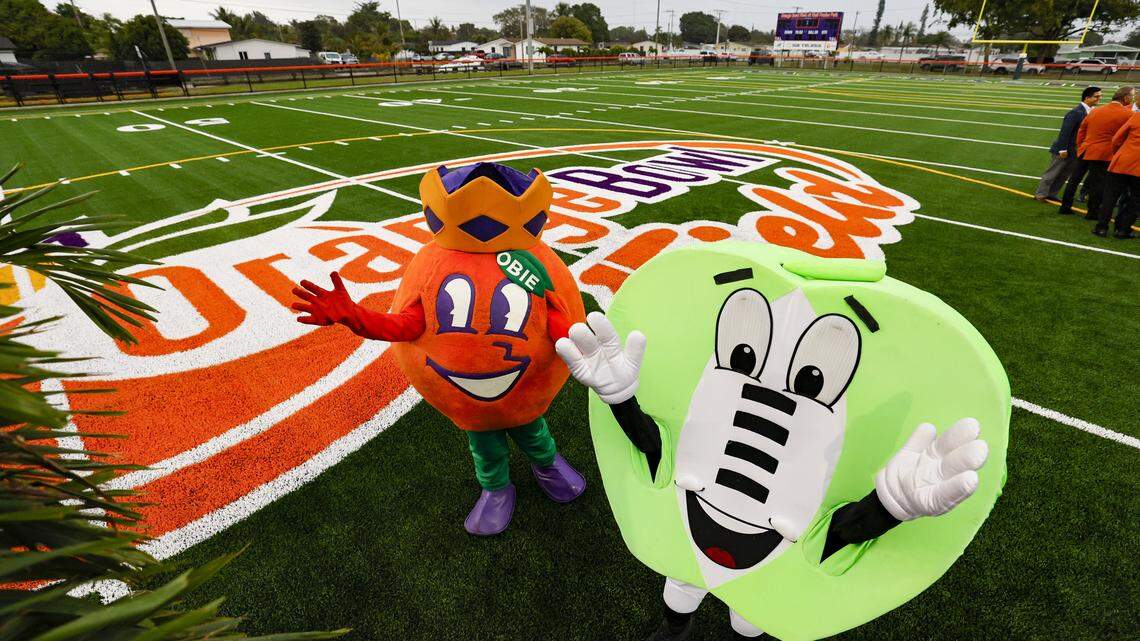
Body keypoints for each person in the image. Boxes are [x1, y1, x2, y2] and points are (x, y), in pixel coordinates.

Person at [1058, 86, 1135, 218]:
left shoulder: (1095, 110)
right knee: (1098, 184)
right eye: (1132, 96)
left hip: (1086, 150)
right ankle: (1092, 212)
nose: (1133, 99)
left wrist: (1082, 145)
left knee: (1074, 180)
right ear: (1126, 98)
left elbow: (1082, 129)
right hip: (1104, 154)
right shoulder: (1128, 115)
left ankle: (1065, 206)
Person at [1036, 86, 1101, 202]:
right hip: (1065, 149)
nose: (1099, 99)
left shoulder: (1091, 111)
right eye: (1096, 96)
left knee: (1064, 175)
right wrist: (1063, 149)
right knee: (1052, 173)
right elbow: (1065, 131)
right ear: (1087, 98)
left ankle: (1052, 193)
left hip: (1076, 149)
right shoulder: (1076, 112)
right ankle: (1040, 194)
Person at [1093, 109, 1140, 238]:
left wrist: (1118, 154)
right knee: (1135, 200)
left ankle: (1101, 228)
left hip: (1122, 161)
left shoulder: (1136, 117)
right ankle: (1123, 230)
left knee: (1110, 196)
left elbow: (1117, 139)